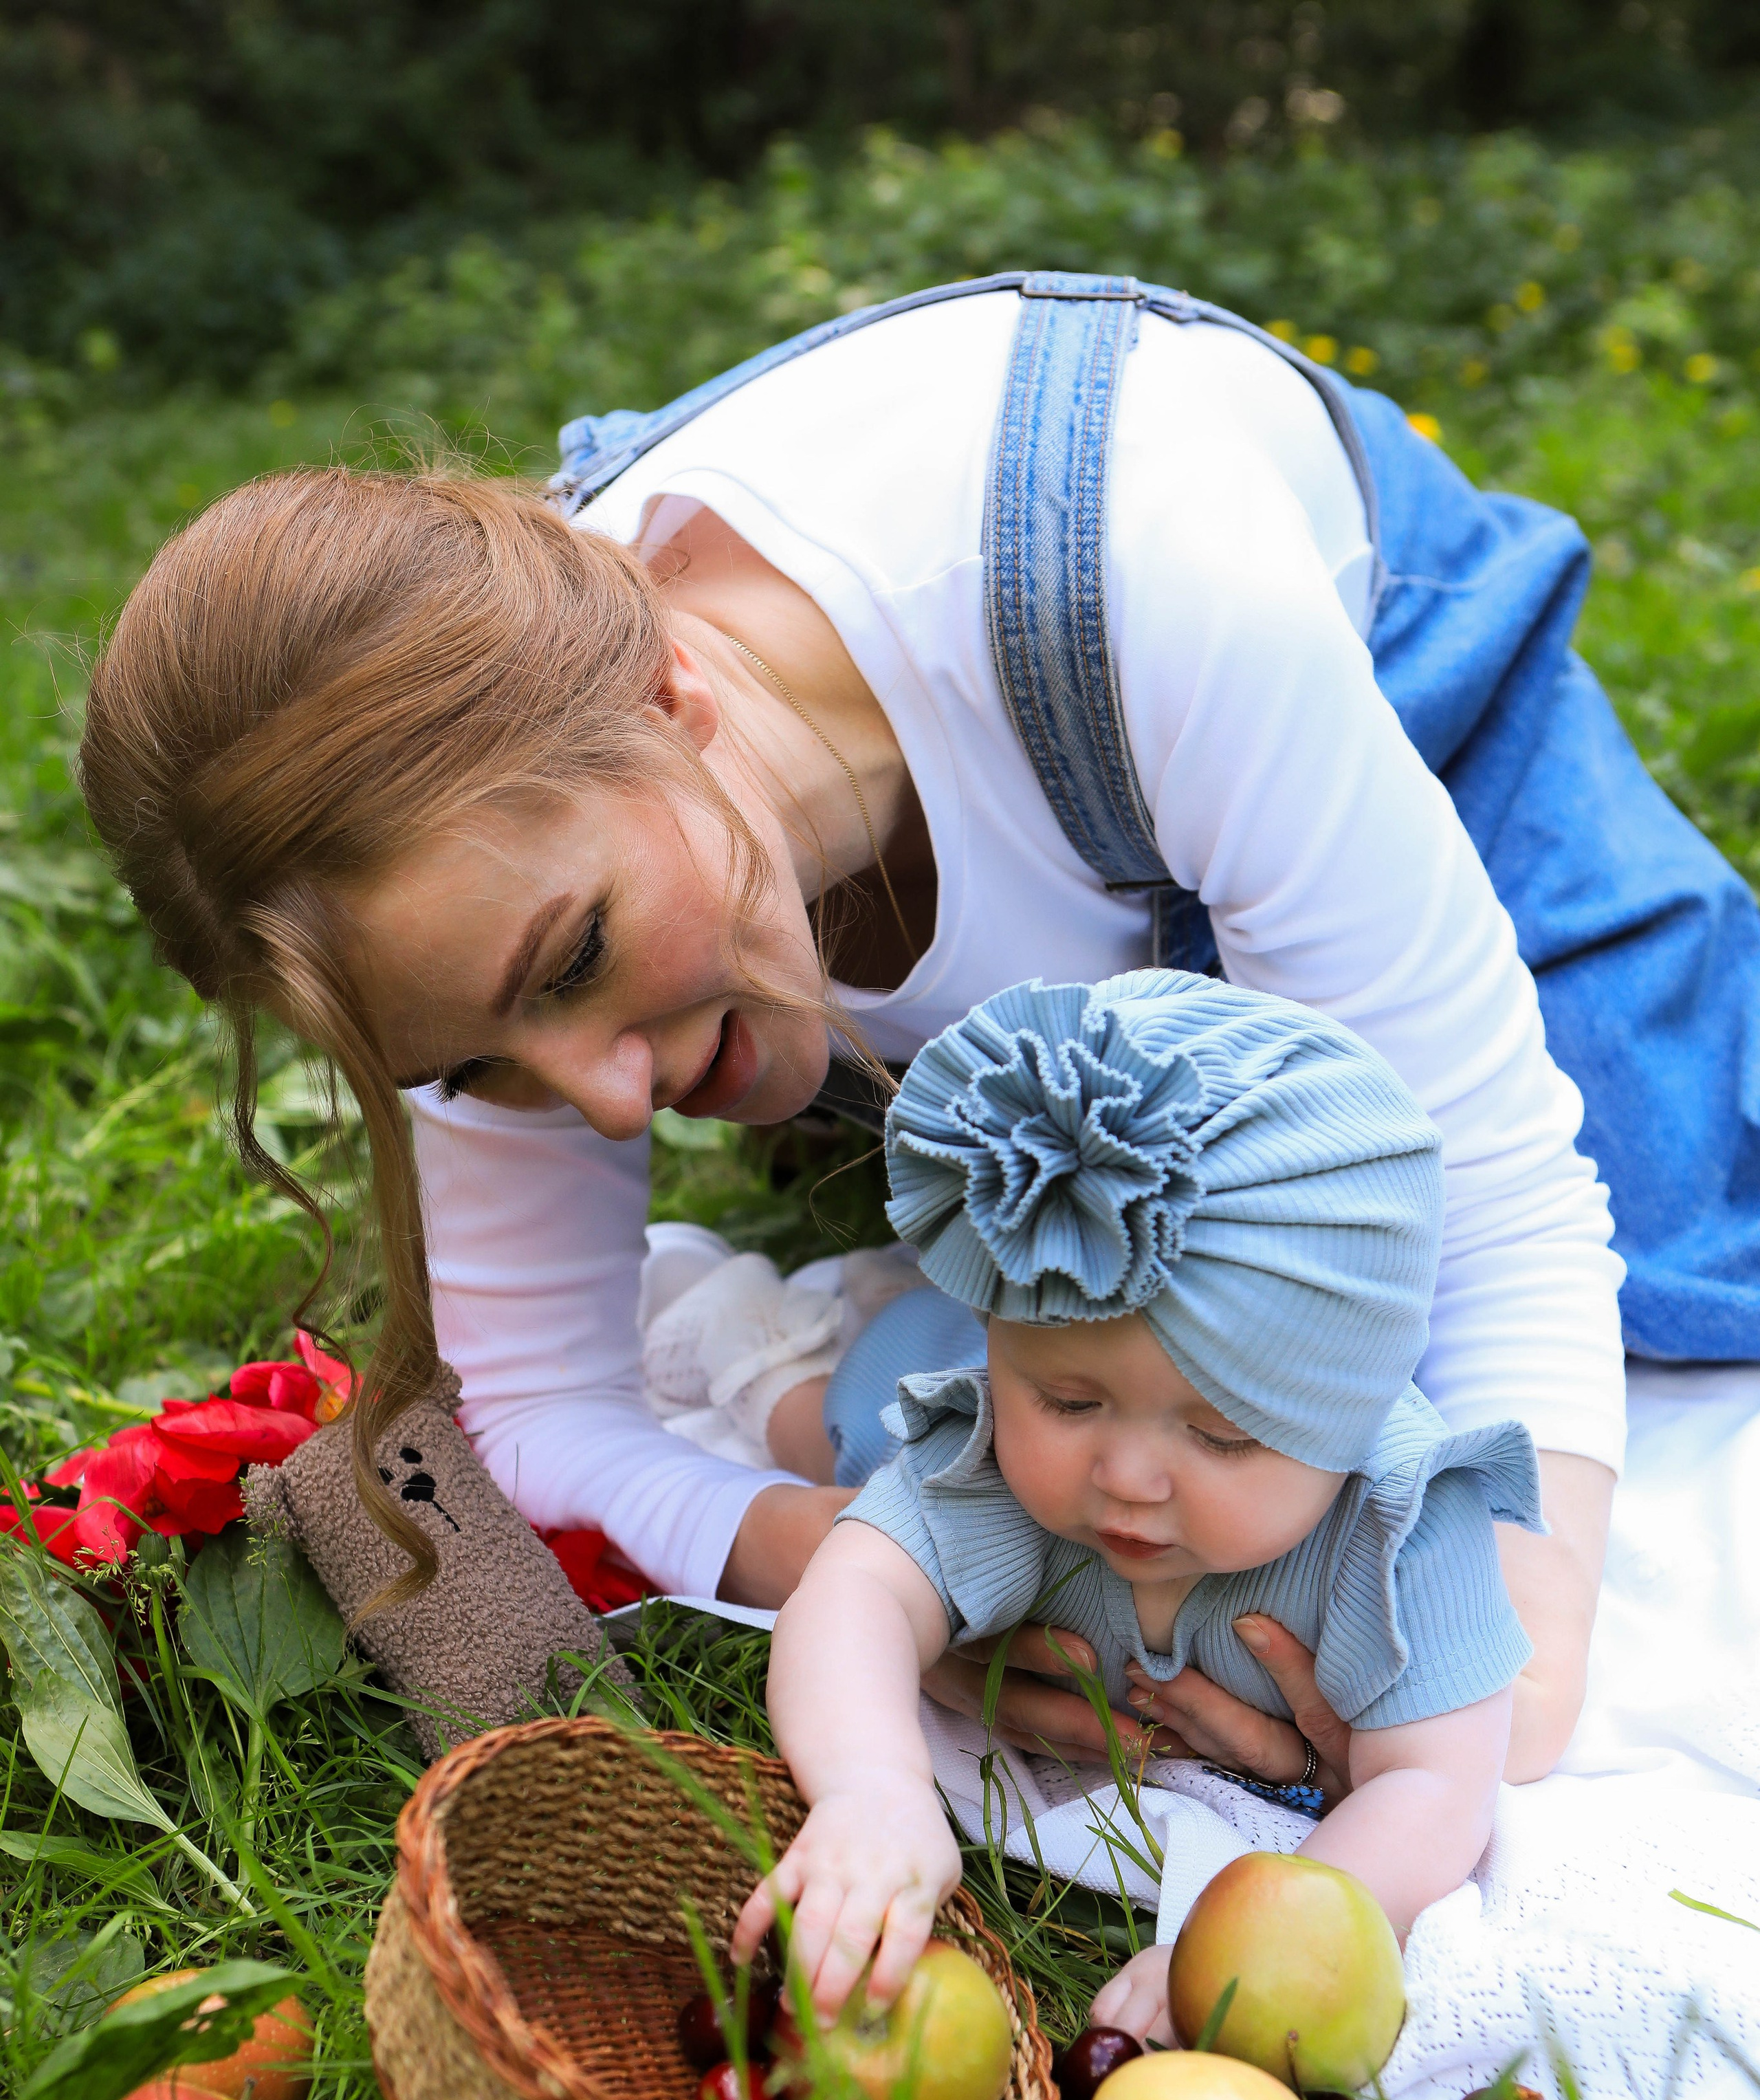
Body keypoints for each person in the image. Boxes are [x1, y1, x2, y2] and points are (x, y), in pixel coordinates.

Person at [76, 271, 1760, 1789]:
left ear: (669, 689)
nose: (601, 1106)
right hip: (928, 888)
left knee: (1688, 1251)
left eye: (578, 956)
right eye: (478, 1067)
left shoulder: (1155, 575)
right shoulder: (451, 876)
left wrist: (1497, 1669)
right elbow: (532, 1412)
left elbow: (1498, 1192)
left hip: (1400, 681)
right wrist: (877, 1573)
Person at [732, 972, 1543, 2026]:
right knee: (830, 1426)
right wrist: (872, 1790)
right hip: (899, 1363)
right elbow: (854, 1596)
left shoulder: (1400, 1526)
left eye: (1218, 1435)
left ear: (1352, 1417)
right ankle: (760, 1344)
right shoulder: (994, 1464)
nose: (1128, 1477)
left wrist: (1245, 1949)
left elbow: (1434, 1789)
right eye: (1068, 1402)